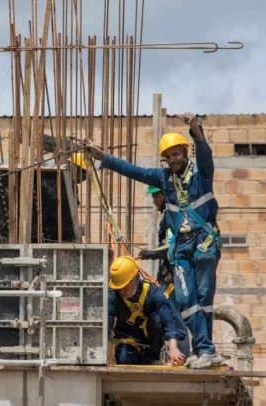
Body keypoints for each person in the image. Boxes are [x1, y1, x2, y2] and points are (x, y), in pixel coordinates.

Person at [88, 113, 222, 369]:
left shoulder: (202, 175)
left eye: (177, 153)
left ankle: (205, 349)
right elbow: (134, 171)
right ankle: (203, 348)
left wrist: (196, 131)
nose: (173, 159)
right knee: (184, 300)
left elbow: (205, 154)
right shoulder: (162, 179)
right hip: (181, 248)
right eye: (169, 155)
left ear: (185, 152)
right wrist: (103, 158)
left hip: (204, 244)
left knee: (204, 298)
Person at [107, 256, 186, 366]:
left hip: (152, 340)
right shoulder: (113, 296)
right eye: (118, 288)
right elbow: (107, 323)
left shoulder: (153, 293)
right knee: (124, 357)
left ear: (135, 278)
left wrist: (173, 348)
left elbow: (169, 322)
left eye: (125, 287)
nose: (122, 291)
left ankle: (153, 357)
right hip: (129, 340)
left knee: (157, 319)